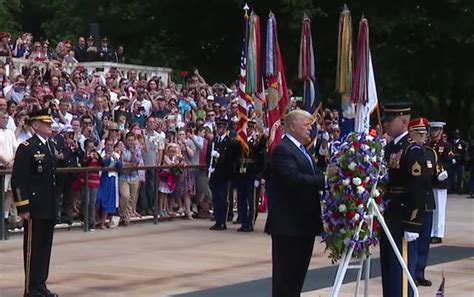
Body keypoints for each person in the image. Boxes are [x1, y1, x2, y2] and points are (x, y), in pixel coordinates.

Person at [264, 110, 325, 297]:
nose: (310, 128)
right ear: (291, 127)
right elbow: (293, 178)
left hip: (304, 223)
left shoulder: (301, 149)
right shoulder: (283, 150)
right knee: (286, 277)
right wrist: (324, 181)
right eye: (306, 124)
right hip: (288, 224)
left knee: (297, 276)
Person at [11, 108, 59, 297]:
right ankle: (31, 289)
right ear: (36, 126)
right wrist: (23, 206)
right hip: (34, 207)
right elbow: (19, 179)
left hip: (48, 205)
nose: (50, 126)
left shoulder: (49, 146)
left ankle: (41, 285)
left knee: (45, 248)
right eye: (46, 124)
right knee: (33, 249)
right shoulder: (26, 147)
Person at [380, 103, 427, 297]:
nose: (386, 124)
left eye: (390, 121)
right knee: (389, 266)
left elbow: (418, 188)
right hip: (390, 213)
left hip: (403, 216)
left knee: (401, 267)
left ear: (404, 121)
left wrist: (412, 223)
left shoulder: (412, 149)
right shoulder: (392, 146)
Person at [408, 118, 447, 287]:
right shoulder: (408, 151)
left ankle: (420, 272)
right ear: (412, 134)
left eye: (425, 133)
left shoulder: (431, 153)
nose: (424, 136)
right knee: (413, 241)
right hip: (413, 203)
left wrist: (439, 179)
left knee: (424, 240)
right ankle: (410, 272)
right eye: (420, 133)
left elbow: (432, 177)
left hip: (427, 202)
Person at [207, 119, 239, 230]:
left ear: (225, 129)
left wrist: (220, 156)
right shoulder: (213, 141)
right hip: (215, 174)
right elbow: (208, 157)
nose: (219, 129)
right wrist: (209, 168)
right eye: (218, 127)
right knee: (215, 198)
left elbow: (232, 159)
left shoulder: (230, 142)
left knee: (223, 198)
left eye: (221, 127)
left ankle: (223, 221)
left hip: (224, 175)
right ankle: (217, 220)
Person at [428, 121, 453, 244]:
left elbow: (448, 162)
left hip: (440, 180)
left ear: (441, 131)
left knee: (439, 208)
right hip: (430, 180)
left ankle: (438, 233)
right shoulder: (429, 145)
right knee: (431, 208)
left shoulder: (446, 146)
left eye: (436, 129)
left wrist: (440, 173)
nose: (433, 132)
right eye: (432, 129)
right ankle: (431, 231)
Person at [451, 129, 468, 194]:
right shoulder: (451, 143)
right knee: (451, 176)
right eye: (455, 134)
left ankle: (460, 190)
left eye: (457, 134)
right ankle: (452, 189)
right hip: (452, 161)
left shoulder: (462, 143)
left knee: (460, 176)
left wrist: (458, 159)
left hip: (460, 162)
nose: (456, 135)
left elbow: (464, 153)